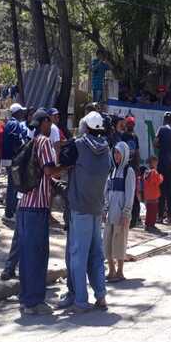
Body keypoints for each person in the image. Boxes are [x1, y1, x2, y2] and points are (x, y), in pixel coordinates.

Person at [56, 111, 112, 312]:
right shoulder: (106, 148)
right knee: (97, 254)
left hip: (79, 208)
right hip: (97, 208)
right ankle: (101, 295)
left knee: (78, 255)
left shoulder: (78, 145)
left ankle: (80, 299)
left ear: (85, 127)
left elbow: (61, 163)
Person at [16, 109, 59, 315]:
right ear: (43, 122)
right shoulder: (44, 142)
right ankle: (35, 301)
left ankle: (25, 299)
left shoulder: (31, 141)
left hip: (24, 205)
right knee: (38, 255)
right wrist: (69, 166)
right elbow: (50, 170)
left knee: (26, 255)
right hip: (38, 206)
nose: (51, 125)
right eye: (49, 122)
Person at [104, 141, 135, 283]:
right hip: (110, 214)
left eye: (119, 153)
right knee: (108, 242)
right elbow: (106, 191)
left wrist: (126, 213)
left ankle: (120, 271)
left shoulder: (129, 171)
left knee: (120, 242)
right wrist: (105, 209)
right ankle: (111, 270)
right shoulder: (111, 171)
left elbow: (130, 194)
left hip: (121, 214)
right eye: (115, 152)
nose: (116, 155)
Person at [1, 103, 28, 226]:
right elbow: (15, 141)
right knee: (13, 187)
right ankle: (9, 214)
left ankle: (10, 211)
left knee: (13, 186)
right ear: (17, 112)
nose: (23, 113)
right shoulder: (14, 123)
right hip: (13, 160)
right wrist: (21, 152)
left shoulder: (11, 123)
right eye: (21, 111)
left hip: (10, 159)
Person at [154, 112, 171, 224]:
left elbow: (155, 143)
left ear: (164, 120)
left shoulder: (161, 129)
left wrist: (159, 146)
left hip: (162, 162)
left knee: (161, 190)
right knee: (169, 190)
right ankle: (169, 216)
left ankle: (160, 217)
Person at [120, 116, 141, 227]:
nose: (131, 126)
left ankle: (135, 218)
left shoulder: (134, 137)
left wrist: (137, 167)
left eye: (132, 124)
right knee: (126, 192)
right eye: (129, 124)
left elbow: (137, 152)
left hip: (132, 168)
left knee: (132, 193)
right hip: (125, 167)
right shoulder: (123, 136)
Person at [143, 156, 163, 231]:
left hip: (148, 196)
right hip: (154, 195)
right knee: (154, 212)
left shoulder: (146, 172)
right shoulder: (154, 172)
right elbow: (158, 181)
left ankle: (147, 224)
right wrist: (161, 177)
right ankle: (151, 225)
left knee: (149, 211)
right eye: (156, 163)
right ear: (154, 163)